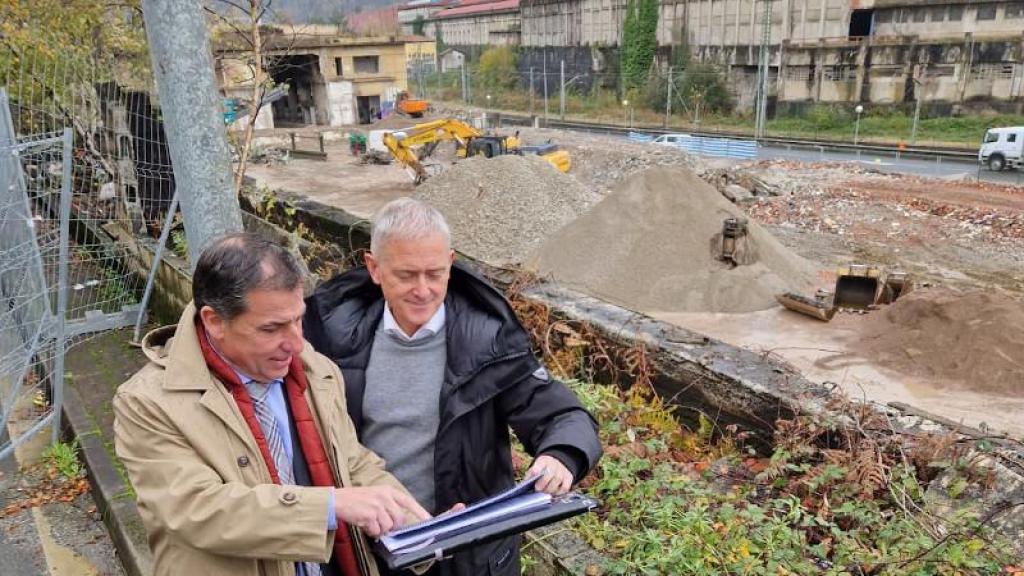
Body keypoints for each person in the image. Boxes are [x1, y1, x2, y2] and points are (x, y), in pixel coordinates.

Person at [304, 198, 603, 576]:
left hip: (467, 553)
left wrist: (562, 455)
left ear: (450, 262)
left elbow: (562, 415)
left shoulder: (487, 340)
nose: (423, 289)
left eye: (435, 273)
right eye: (406, 275)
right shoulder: (329, 335)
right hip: (367, 549)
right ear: (374, 268)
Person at [114, 233, 431, 576]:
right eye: (272, 328)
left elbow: (351, 463)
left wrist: (421, 528)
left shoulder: (316, 370)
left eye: (298, 319)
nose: (296, 344)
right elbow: (197, 511)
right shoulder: (146, 403)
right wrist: (328, 505)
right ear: (214, 321)